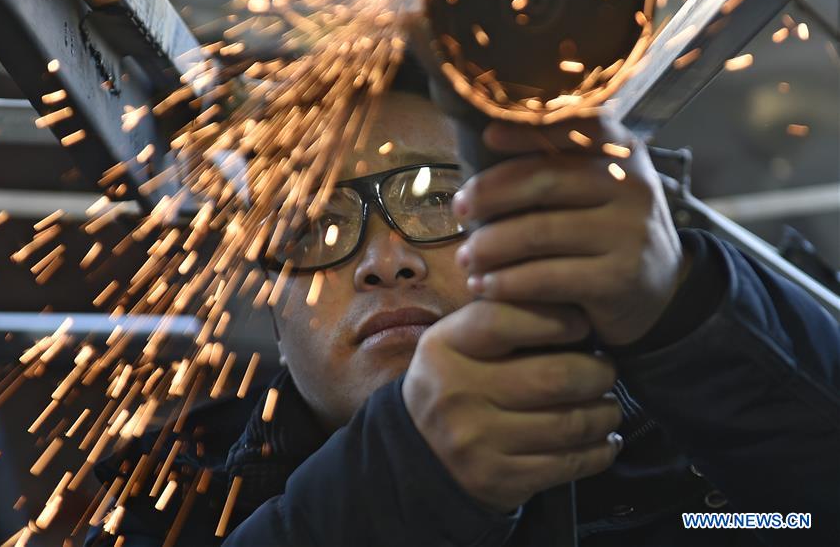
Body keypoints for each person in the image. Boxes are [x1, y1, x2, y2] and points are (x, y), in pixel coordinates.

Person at [85, 59, 840, 547]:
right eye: (313, 226)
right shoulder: (171, 503)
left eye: (438, 200)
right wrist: (409, 481)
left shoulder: (707, 478)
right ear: (268, 299)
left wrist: (681, 311)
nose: (387, 260)